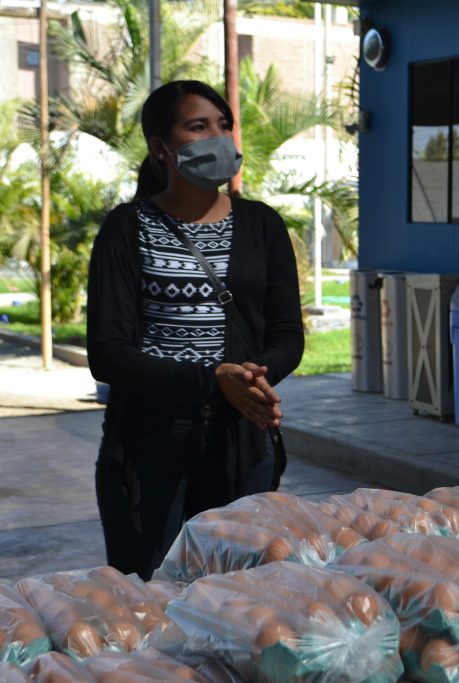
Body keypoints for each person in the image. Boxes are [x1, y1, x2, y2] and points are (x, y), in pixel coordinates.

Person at [87, 80, 304, 579]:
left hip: (240, 440)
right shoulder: (127, 227)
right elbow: (108, 352)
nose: (218, 137)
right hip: (148, 442)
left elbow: (287, 334)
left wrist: (249, 379)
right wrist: (213, 380)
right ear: (160, 147)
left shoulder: (262, 225)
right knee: (149, 592)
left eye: (224, 125)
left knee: (238, 592)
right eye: (198, 126)